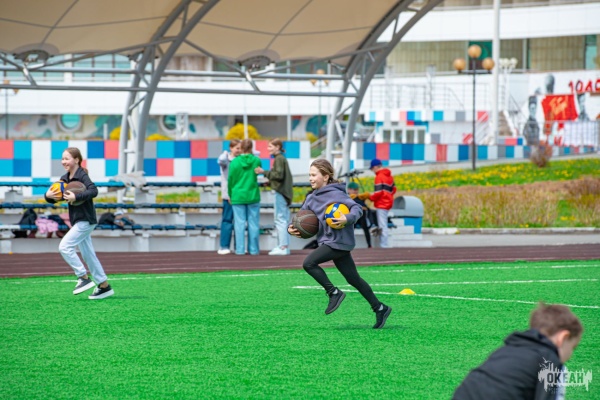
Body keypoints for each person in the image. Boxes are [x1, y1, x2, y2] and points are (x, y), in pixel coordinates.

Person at [288, 159, 392, 329]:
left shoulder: (337, 194)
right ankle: (380, 308)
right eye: (309, 175)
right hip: (330, 242)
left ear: (326, 177)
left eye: (314, 175)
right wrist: (291, 228)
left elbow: (356, 209)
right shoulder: (311, 198)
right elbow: (300, 218)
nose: (311, 178)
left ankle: (333, 293)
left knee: (309, 263)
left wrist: (346, 218)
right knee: (353, 279)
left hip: (338, 241)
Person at [453, 303, 583, 400]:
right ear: (563, 338)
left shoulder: (507, 349)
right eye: (573, 347)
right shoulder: (549, 360)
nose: (570, 355)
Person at [44, 147, 114, 300]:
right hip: (78, 221)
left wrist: (76, 196)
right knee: (88, 255)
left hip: (86, 219)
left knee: (64, 247)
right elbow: (55, 194)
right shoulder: (65, 178)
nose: (63, 162)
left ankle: (83, 277)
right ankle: (104, 286)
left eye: (67, 158)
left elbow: (93, 191)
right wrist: (47, 196)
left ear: (76, 160)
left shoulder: (82, 175)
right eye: (62, 159)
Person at [255, 138, 293, 256]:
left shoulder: (279, 159)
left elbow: (279, 175)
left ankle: (282, 246)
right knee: (284, 220)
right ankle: (284, 246)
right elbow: (280, 176)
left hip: (280, 192)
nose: (268, 149)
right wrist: (270, 181)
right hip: (284, 192)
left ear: (277, 147)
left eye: (270, 146)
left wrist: (264, 172)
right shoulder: (281, 158)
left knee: (280, 219)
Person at [228, 139, 261, 256]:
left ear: (241, 148)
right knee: (254, 224)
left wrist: (230, 194)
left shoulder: (234, 162)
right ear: (251, 148)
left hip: (237, 195)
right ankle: (254, 250)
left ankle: (240, 250)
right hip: (252, 194)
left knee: (239, 224)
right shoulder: (256, 160)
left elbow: (230, 180)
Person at [217, 139, 242, 255]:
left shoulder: (241, 159)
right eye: (237, 148)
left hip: (239, 195)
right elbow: (220, 160)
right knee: (227, 220)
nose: (239, 150)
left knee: (239, 222)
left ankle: (238, 246)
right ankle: (224, 246)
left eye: (241, 148)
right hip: (228, 195)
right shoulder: (226, 160)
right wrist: (225, 153)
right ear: (231, 148)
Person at [368, 159, 396, 248]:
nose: (372, 171)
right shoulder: (389, 176)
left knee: (382, 225)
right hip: (388, 202)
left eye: (372, 169)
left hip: (381, 203)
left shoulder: (379, 177)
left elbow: (378, 192)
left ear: (375, 167)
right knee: (384, 223)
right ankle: (384, 244)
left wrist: (370, 197)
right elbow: (394, 189)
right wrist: (388, 197)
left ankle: (384, 245)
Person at [346, 181, 373, 248]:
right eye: (354, 190)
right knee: (351, 229)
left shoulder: (361, 197)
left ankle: (369, 245)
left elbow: (368, 198)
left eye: (357, 190)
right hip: (353, 215)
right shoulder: (347, 197)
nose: (356, 191)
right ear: (349, 190)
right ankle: (348, 244)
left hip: (362, 215)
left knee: (365, 228)